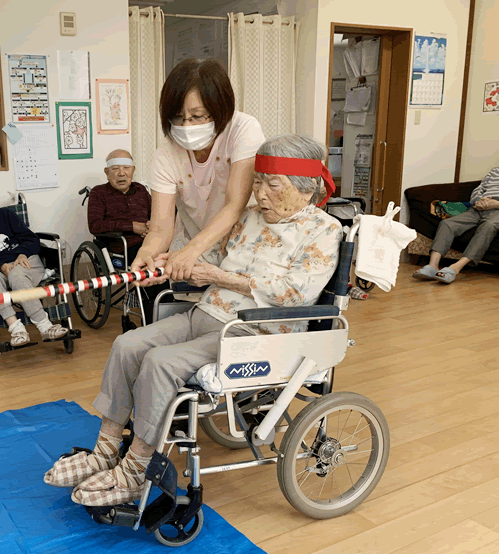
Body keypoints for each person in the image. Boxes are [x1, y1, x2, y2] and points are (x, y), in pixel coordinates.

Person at [44, 134, 342, 507]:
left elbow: (294, 295)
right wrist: (168, 264)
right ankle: (105, 451)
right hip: (206, 313)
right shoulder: (249, 217)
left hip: (252, 333)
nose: (260, 193)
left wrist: (220, 278)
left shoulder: (324, 230)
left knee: (160, 361)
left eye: (273, 184)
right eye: (258, 181)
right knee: (127, 344)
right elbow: (210, 258)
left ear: (305, 188)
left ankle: (135, 470)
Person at [132, 57, 266, 287]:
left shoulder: (243, 129)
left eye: (197, 116)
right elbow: (160, 228)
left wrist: (192, 249)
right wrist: (146, 254)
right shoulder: (166, 153)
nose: (186, 126)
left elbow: (235, 205)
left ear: (220, 108)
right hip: (196, 243)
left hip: (244, 242)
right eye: (177, 117)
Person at [0, 178, 68, 347]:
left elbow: (31, 239)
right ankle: (17, 329)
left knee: (17, 274)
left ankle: (45, 326)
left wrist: (21, 254)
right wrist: (1, 266)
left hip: (25, 261)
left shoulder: (6, 215)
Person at [413, 166, 499, 284]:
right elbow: (479, 189)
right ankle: (433, 265)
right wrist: (478, 201)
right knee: (447, 224)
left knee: (488, 226)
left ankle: (455, 268)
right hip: (479, 207)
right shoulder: (495, 171)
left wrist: (496, 204)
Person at [87, 149, 151, 259]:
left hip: (149, 242)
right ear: (107, 172)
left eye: (126, 168)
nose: (121, 173)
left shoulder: (140, 189)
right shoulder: (98, 192)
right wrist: (132, 226)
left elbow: (156, 213)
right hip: (122, 248)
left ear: (133, 170)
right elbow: (95, 226)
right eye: (115, 169)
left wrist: (152, 224)